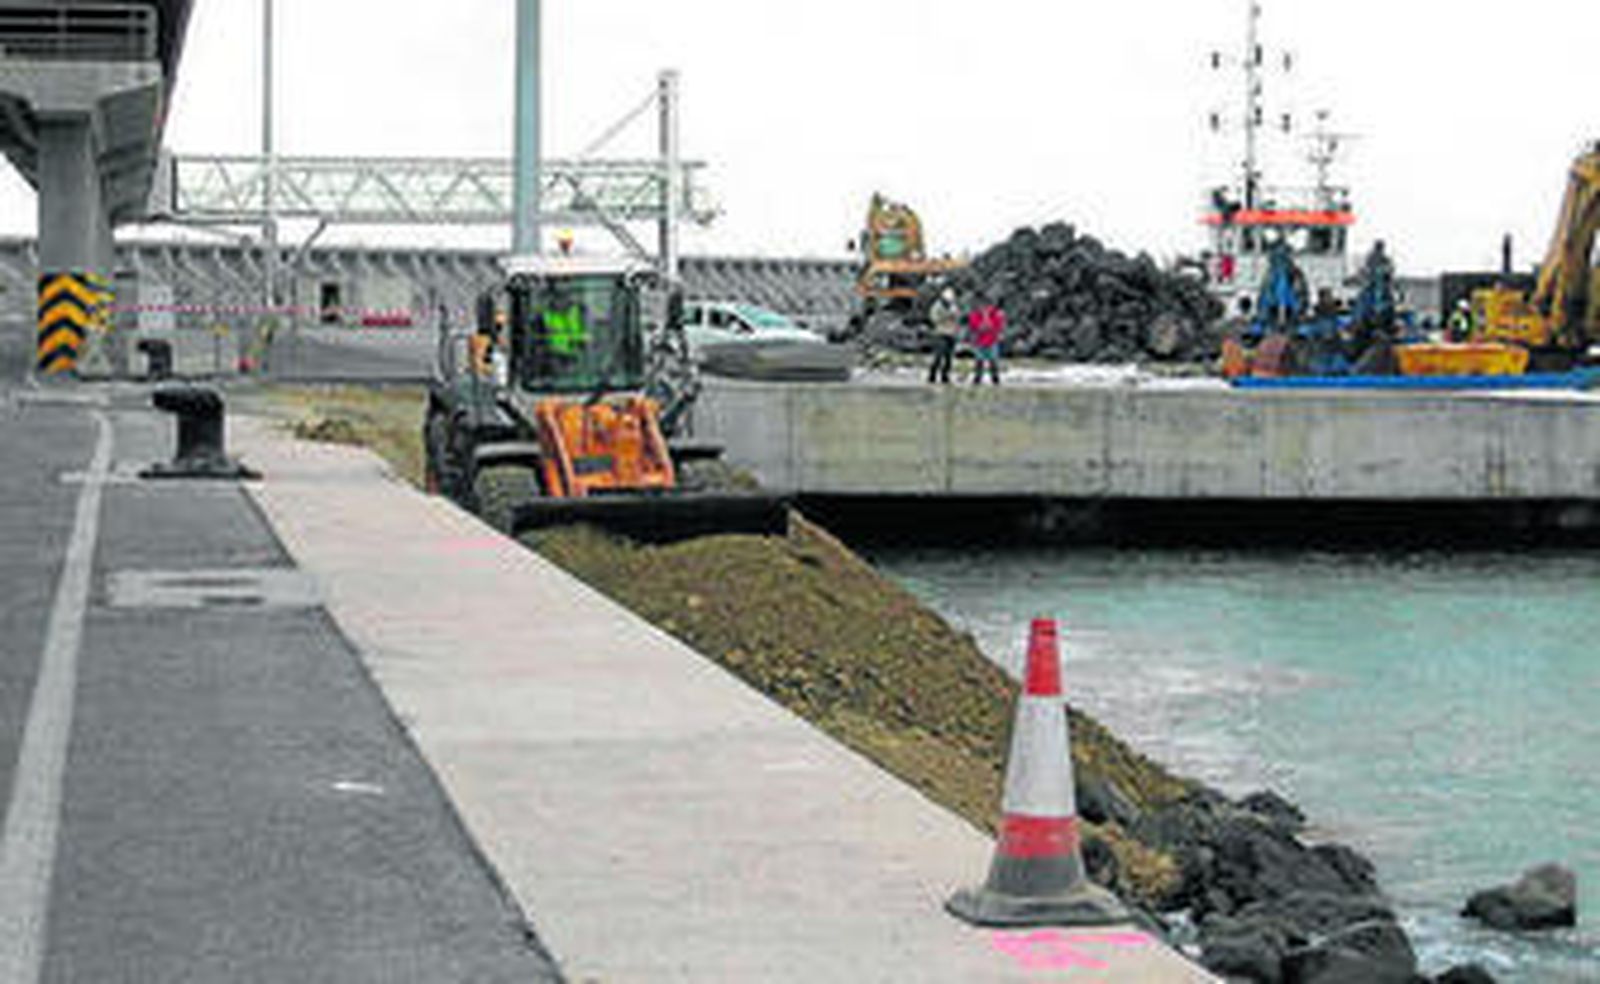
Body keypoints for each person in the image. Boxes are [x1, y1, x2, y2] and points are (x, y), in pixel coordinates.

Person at [927, 287, 962, 384]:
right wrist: (947, 316)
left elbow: (958, 317)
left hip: (951, 333)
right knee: (938, 356)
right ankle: (932, 375)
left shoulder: (954, 306)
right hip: (940, 333)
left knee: (949, 358)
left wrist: (955, 316)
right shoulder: (937, 306)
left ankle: (945, 376)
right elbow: (934, 319)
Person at [967, 302, 1005, 385]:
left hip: (991, 340)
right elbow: (973, 326)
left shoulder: (996, 314)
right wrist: (983, 327)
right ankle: (978, 378)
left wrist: (989, 327)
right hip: (980, 341)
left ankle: (995, 379)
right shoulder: (974, 314)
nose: (983, 309)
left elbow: (998, 326)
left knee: (993, 361)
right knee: (979, 361)